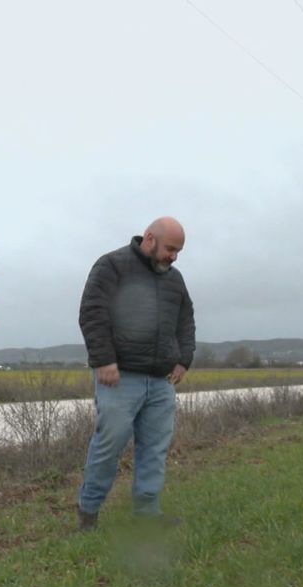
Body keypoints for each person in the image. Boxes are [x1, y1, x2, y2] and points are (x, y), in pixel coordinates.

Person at [76, 216, 195, 531]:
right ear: (150, 238)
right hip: (119, 377)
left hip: (160, 382)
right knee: (108, 445)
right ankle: (88, 513)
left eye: (179, 251)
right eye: (171, 248)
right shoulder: (112, 266)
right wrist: (103, 360)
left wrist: (183, 359)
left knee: (155, 448)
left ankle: (147, 513)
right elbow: (92, 312)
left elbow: (186, 320)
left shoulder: (175, 279)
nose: (174, 257)